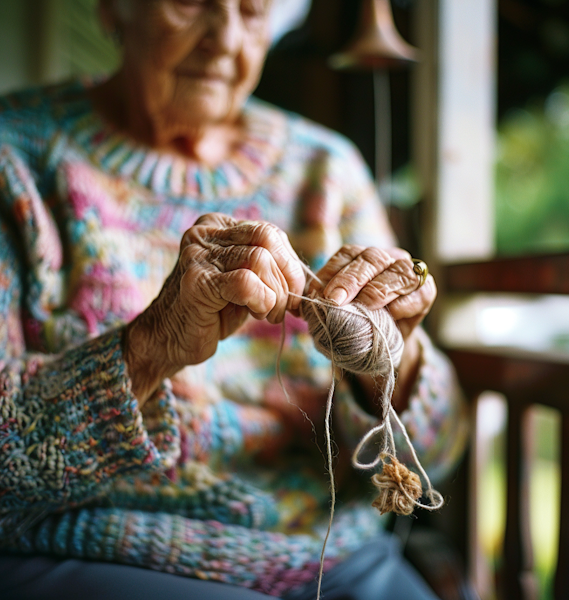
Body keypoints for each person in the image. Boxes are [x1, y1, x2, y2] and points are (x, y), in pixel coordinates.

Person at [0, 0, 468, 598]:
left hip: (334, 557)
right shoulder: (18, 156)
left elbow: (441, 451)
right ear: (114, 9)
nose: (225, 39)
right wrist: (148, 347)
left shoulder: (327, 168)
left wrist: (387, 369)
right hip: (111, 558)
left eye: (252, 11)